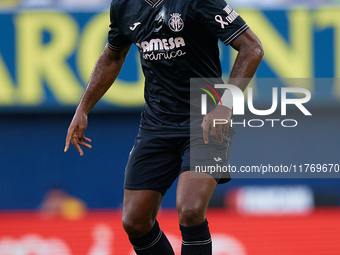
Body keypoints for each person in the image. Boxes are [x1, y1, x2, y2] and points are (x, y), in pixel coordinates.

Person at [64, 0, 263, 253]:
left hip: (205, 121)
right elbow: (112, 57)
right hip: (157, 125)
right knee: (134, 221)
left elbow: (252, 48)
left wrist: (225, 105)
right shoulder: (124, 6)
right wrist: (83, 108)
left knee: (190, 209)